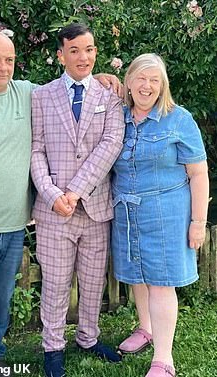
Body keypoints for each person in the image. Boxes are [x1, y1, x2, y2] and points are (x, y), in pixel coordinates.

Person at [0, 28, 121, 377]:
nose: (3, 67)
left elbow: (74, 83)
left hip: (13, 227)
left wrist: (102, 76)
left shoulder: (26, 93)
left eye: (10, 60)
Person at [30, 23, 125, 377]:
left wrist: (75, 191)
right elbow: (35, 150)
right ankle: (52, 349)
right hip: (55, 212)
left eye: (89, 50)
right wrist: (54, 194)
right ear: (61, 54)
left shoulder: (110, 97)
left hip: (96, 208)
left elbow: (111, 145)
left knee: (92, 281)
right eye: (74, 51)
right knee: (54, 284)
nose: (82, 57)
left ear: (96, 52)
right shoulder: (41, 96)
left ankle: (88, 338)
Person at [111, 53, 209, 377]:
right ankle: (145, 328)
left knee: (161, 282)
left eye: (155, 80)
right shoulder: (118, 117)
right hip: (126, 212)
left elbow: (198, 173)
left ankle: (163, 359)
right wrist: (100, 77)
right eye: (141, 78)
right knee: (137, 275)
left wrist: (198, 223)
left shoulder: (179, 119)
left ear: (163, 85)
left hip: (166, 214)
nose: (147, 86)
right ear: (129, 81)